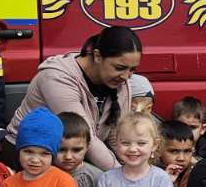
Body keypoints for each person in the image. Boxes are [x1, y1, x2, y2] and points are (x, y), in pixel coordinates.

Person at [8, 26, 142, 170]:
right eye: (120, 68)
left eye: (132, 69)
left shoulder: (117, 80)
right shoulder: (57, 77)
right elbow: (86, 136)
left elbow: (117, 136)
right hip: (33, 155)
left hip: (77, 154)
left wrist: (137, 169)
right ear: (97, 56)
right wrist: (121, 176)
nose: (126, 76)